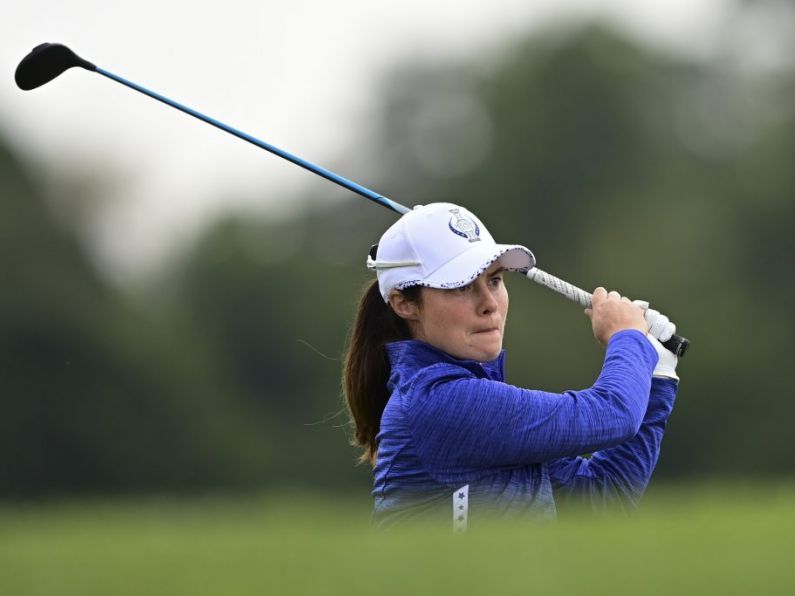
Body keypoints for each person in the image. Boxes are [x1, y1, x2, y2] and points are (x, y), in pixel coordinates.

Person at [343, 202, 679, 530]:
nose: (489, 304)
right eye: (460, 287)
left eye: (494, 280)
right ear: (404, 304)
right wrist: (628, 337)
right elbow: (615, 412)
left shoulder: (486, 414)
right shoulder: (438, 402)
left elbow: (603, 498)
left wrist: (656, 375)